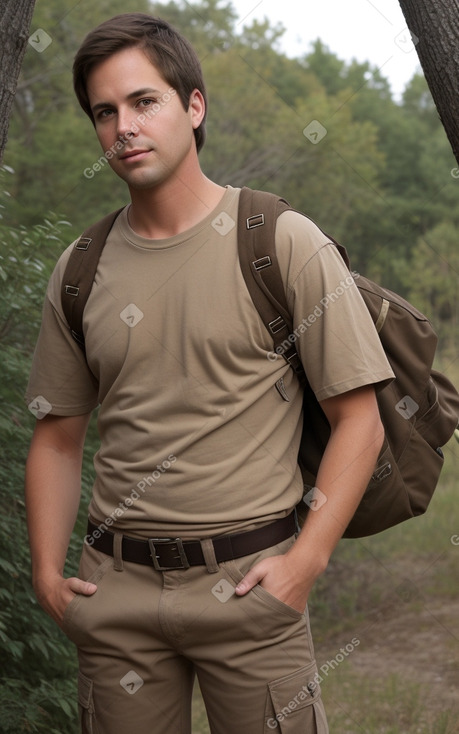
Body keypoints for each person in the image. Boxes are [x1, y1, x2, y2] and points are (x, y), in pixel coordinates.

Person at [24, 13, 394, 734]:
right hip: (116, 596)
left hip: (251, 589)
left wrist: (303, 565)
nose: (124, 127)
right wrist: (47, 578)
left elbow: (361, 420)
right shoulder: (80, 268)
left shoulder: (278, 241)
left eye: (144, 101)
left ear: (193, 106)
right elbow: (58, 438)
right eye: (105, 112)